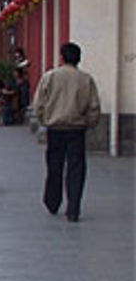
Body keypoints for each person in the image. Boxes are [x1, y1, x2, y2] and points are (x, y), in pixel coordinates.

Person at [33, 42, 100, 222]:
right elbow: (94, 107)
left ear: (61, 57)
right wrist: (89, 123)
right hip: (77, 129)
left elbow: (39, 104)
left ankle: (52, 201)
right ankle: (73, 208)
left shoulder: (50, 77)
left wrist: (44, 120)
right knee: (76, 167)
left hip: (55, 128)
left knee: (54, 166)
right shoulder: (86, 79)